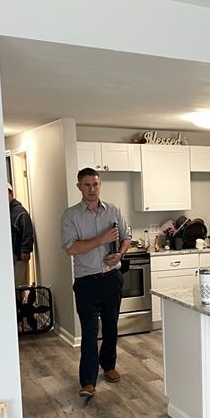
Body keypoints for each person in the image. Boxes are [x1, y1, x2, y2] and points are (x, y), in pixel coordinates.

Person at [61, 167, 131, 399]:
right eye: (87, 185)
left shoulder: (113, 210)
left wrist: (120, 253)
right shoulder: (71, 216)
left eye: (95, 184)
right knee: (90, 332)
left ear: (100, 185)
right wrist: (102, 239)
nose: (92, 189)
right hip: (86, 282)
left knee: (111, 326)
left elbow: (126, 237)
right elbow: (71, 248)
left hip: (111, 278)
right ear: (79, 187)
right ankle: (88, 381)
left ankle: (108, 365)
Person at [8, 183, 34, 286]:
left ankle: (19, 301)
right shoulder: (6, 211)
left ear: (11, 194)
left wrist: (25, 251)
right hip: (11, 255)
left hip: (18, 256)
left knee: (19, 285)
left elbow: (27, 231)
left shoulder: (20, 212)